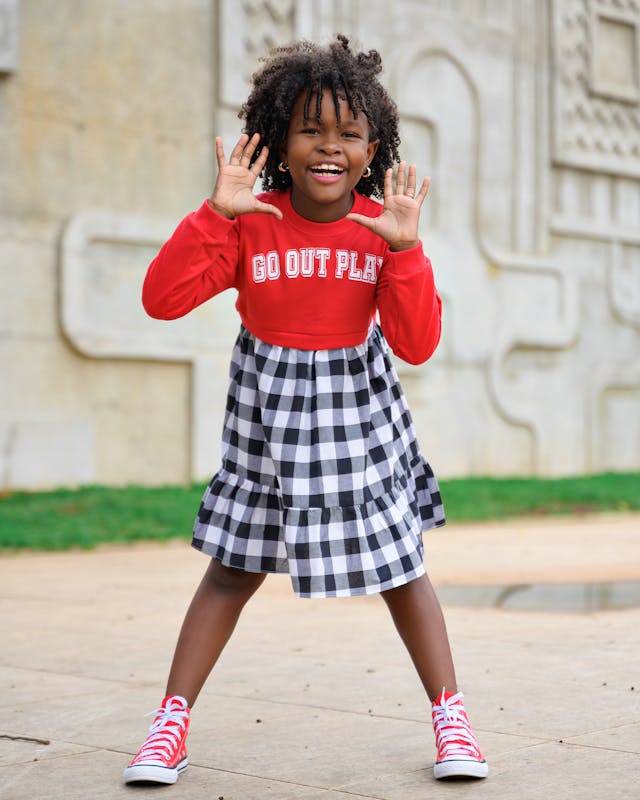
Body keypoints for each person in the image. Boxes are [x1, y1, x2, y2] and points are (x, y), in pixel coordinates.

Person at [123, 34, 488, 786]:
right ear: (277, 142)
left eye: (349, 133)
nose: (331, 147)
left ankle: (452, 719)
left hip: (358, 417)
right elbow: (161, 299)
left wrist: (407, 253)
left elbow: (416, 346)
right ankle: (170, 726)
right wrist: (215, 214)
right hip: (268, 421)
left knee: (402, 566)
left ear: (373, 147)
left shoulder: (382, 231)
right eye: (310, 129)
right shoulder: (250, 221)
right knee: (231, 570)